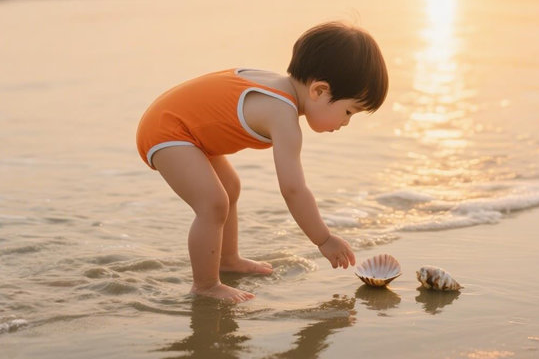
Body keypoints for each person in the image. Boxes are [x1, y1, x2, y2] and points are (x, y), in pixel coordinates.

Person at [136, 22, 388, 303]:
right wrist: (324, 239)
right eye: (349, 111)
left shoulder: (277, 86)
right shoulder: (282, 115)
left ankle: (227, 259)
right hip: (167, 130)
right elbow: (293, 189)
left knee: (230, 186)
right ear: (319, 91)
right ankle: (205, 285)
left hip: (181, 126)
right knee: (213, 202)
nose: (345, 123)